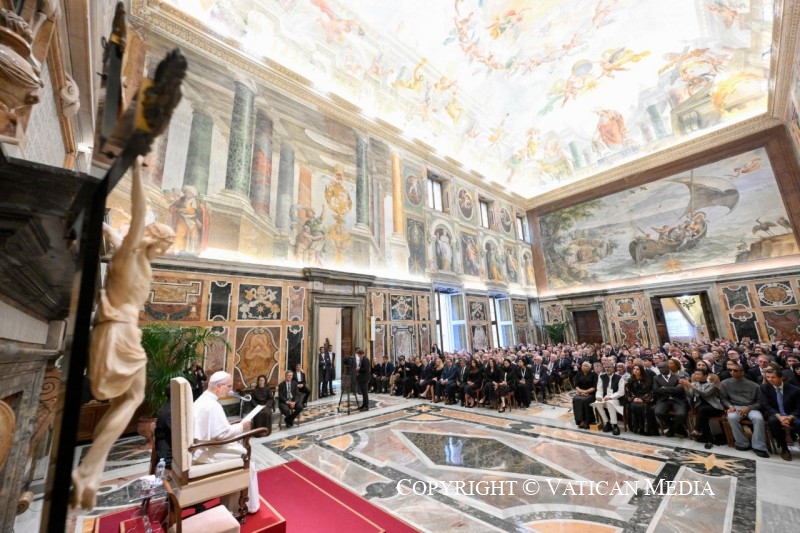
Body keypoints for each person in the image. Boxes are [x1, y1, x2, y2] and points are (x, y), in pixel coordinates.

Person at [71, 158, 176, 510]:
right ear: (151, 237)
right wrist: (135, 171)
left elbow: (113, 234)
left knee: (129, 399)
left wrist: (102, 225)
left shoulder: (126, 253)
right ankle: (88, 469)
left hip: (120, 330)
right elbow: (139, 209)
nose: (164, 250)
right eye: (164, 243)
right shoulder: (133, 251)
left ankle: (89, 469)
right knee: (129, 398)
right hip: (119, 331)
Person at [193, 371, 260, 514]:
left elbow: (216, 430)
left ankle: (234, 504)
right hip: (207, 452)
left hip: (201, 447)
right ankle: (241, 507)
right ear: (219, 386)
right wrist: (241, 426)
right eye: (228, 386)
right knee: (246, 457)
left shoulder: (202, 400)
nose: (230, 390)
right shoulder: (212, 405)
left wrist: (234, 426)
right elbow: (222, 435)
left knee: (239, 450)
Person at [719, 363, 769, 457]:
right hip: (734, 406)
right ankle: (742, 443)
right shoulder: (724, 383)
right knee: (732, 417)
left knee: (758, 418)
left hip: (751, 406)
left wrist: (749, 407)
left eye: (735, 370)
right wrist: (729, 406)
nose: (732, 372)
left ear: (742, 372)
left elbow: (759, 402)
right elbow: (723, 398)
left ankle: (759, 446)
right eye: (731, 370)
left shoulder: (754, 385)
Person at [760, 367, 800, 461]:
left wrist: (789, 417)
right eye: (768, 377)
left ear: (781, 378)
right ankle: (784, 449)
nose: (770, 379)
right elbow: (766, 405)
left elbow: (799, 407)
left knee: (798, 423)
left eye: (773, 377)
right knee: (773, 421)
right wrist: (779, 416)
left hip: (792, 414)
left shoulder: (795, 390)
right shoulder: (764, 388)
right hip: (775, 414)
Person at [683, 368, 724, 449]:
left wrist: (690, 385)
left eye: (699, 374)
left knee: (702, 411)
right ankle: (709, 440)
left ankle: (697, 430)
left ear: (705, 376)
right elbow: (690, 395)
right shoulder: (694, 384)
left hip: (713, 407)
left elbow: (705, 394)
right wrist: (685, 386)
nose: (696, 376)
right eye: (695, 374)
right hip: (700, 407)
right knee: (703, 415)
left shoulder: (712, 385)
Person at [653, 362, 688, 437]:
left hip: (677, 399)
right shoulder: (656, 378)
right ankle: (677, 428)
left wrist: (664, 388)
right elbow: (656, 390)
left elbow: (680, 390)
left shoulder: (677, 376)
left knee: (681, 414)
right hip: (663, 399)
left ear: (668, 367)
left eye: (662, 368)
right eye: (659, 368)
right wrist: (672, 389)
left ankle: (672, 429)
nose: (660, 370)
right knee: (658, 412)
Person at [625, 363, 658, 436]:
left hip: (646, 398)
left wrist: (643, 399)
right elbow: (629, 392)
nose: (635, 371)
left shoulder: (647, 380)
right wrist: (634, 398)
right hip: (635, 398)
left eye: (637, 369)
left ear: (641, 370)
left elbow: (651, 392)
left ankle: (646, 429)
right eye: (634, 369)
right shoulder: (630, 380)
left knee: (643, 406)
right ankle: (636, 428)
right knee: (633, 406)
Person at [593, 363, 625, 435]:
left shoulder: (619, 377)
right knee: (597, 403)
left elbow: (621, 392)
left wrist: (611, 397)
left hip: (616, 398)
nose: (607, 369)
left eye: (609, 367)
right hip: (604, 397)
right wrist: (599, 396)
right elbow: (599, 389)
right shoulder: (601, 377)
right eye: (606, 367)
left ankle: (615, 425)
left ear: (613, 368)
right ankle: (607, 423)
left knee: (609, 403)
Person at [573, 362, 597, 429]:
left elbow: (595, 387)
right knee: (576, 399)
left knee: (585, 400)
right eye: (582, 365)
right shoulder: (579, 374)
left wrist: (586, 392)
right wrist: (581, 392)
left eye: (585, 366)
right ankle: (581, 420)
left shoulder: (594, 375)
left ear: (589, 368)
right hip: (581, 392)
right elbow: (576, 385)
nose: (583, 367)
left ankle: (587, 421)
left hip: (591, 392)